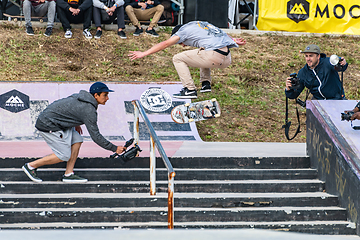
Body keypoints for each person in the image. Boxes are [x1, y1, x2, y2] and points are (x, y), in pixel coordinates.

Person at [22, 82, 126, 183]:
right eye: (105, 95)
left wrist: (76, 122)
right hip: (48, 124)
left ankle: (68, 174)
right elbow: (95, 136)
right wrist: (114, 148)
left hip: (55, 121)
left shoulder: (79, 97)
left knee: (77, 139)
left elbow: (69, 108)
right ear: (96, 95)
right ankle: (31, 166)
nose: (107, 98)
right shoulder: (89, 110)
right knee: (64, 155)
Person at [128, 21, 246, 99]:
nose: (183, 45)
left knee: (177, 58)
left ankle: (189, 89)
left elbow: (165, 44)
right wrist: (234, 40)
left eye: (180, 43)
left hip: (213, 55)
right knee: (202, 50)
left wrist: (143, 53)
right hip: (227, 58)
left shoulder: (182, 32)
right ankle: (206, 84)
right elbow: (219, 32)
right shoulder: (200, 24)